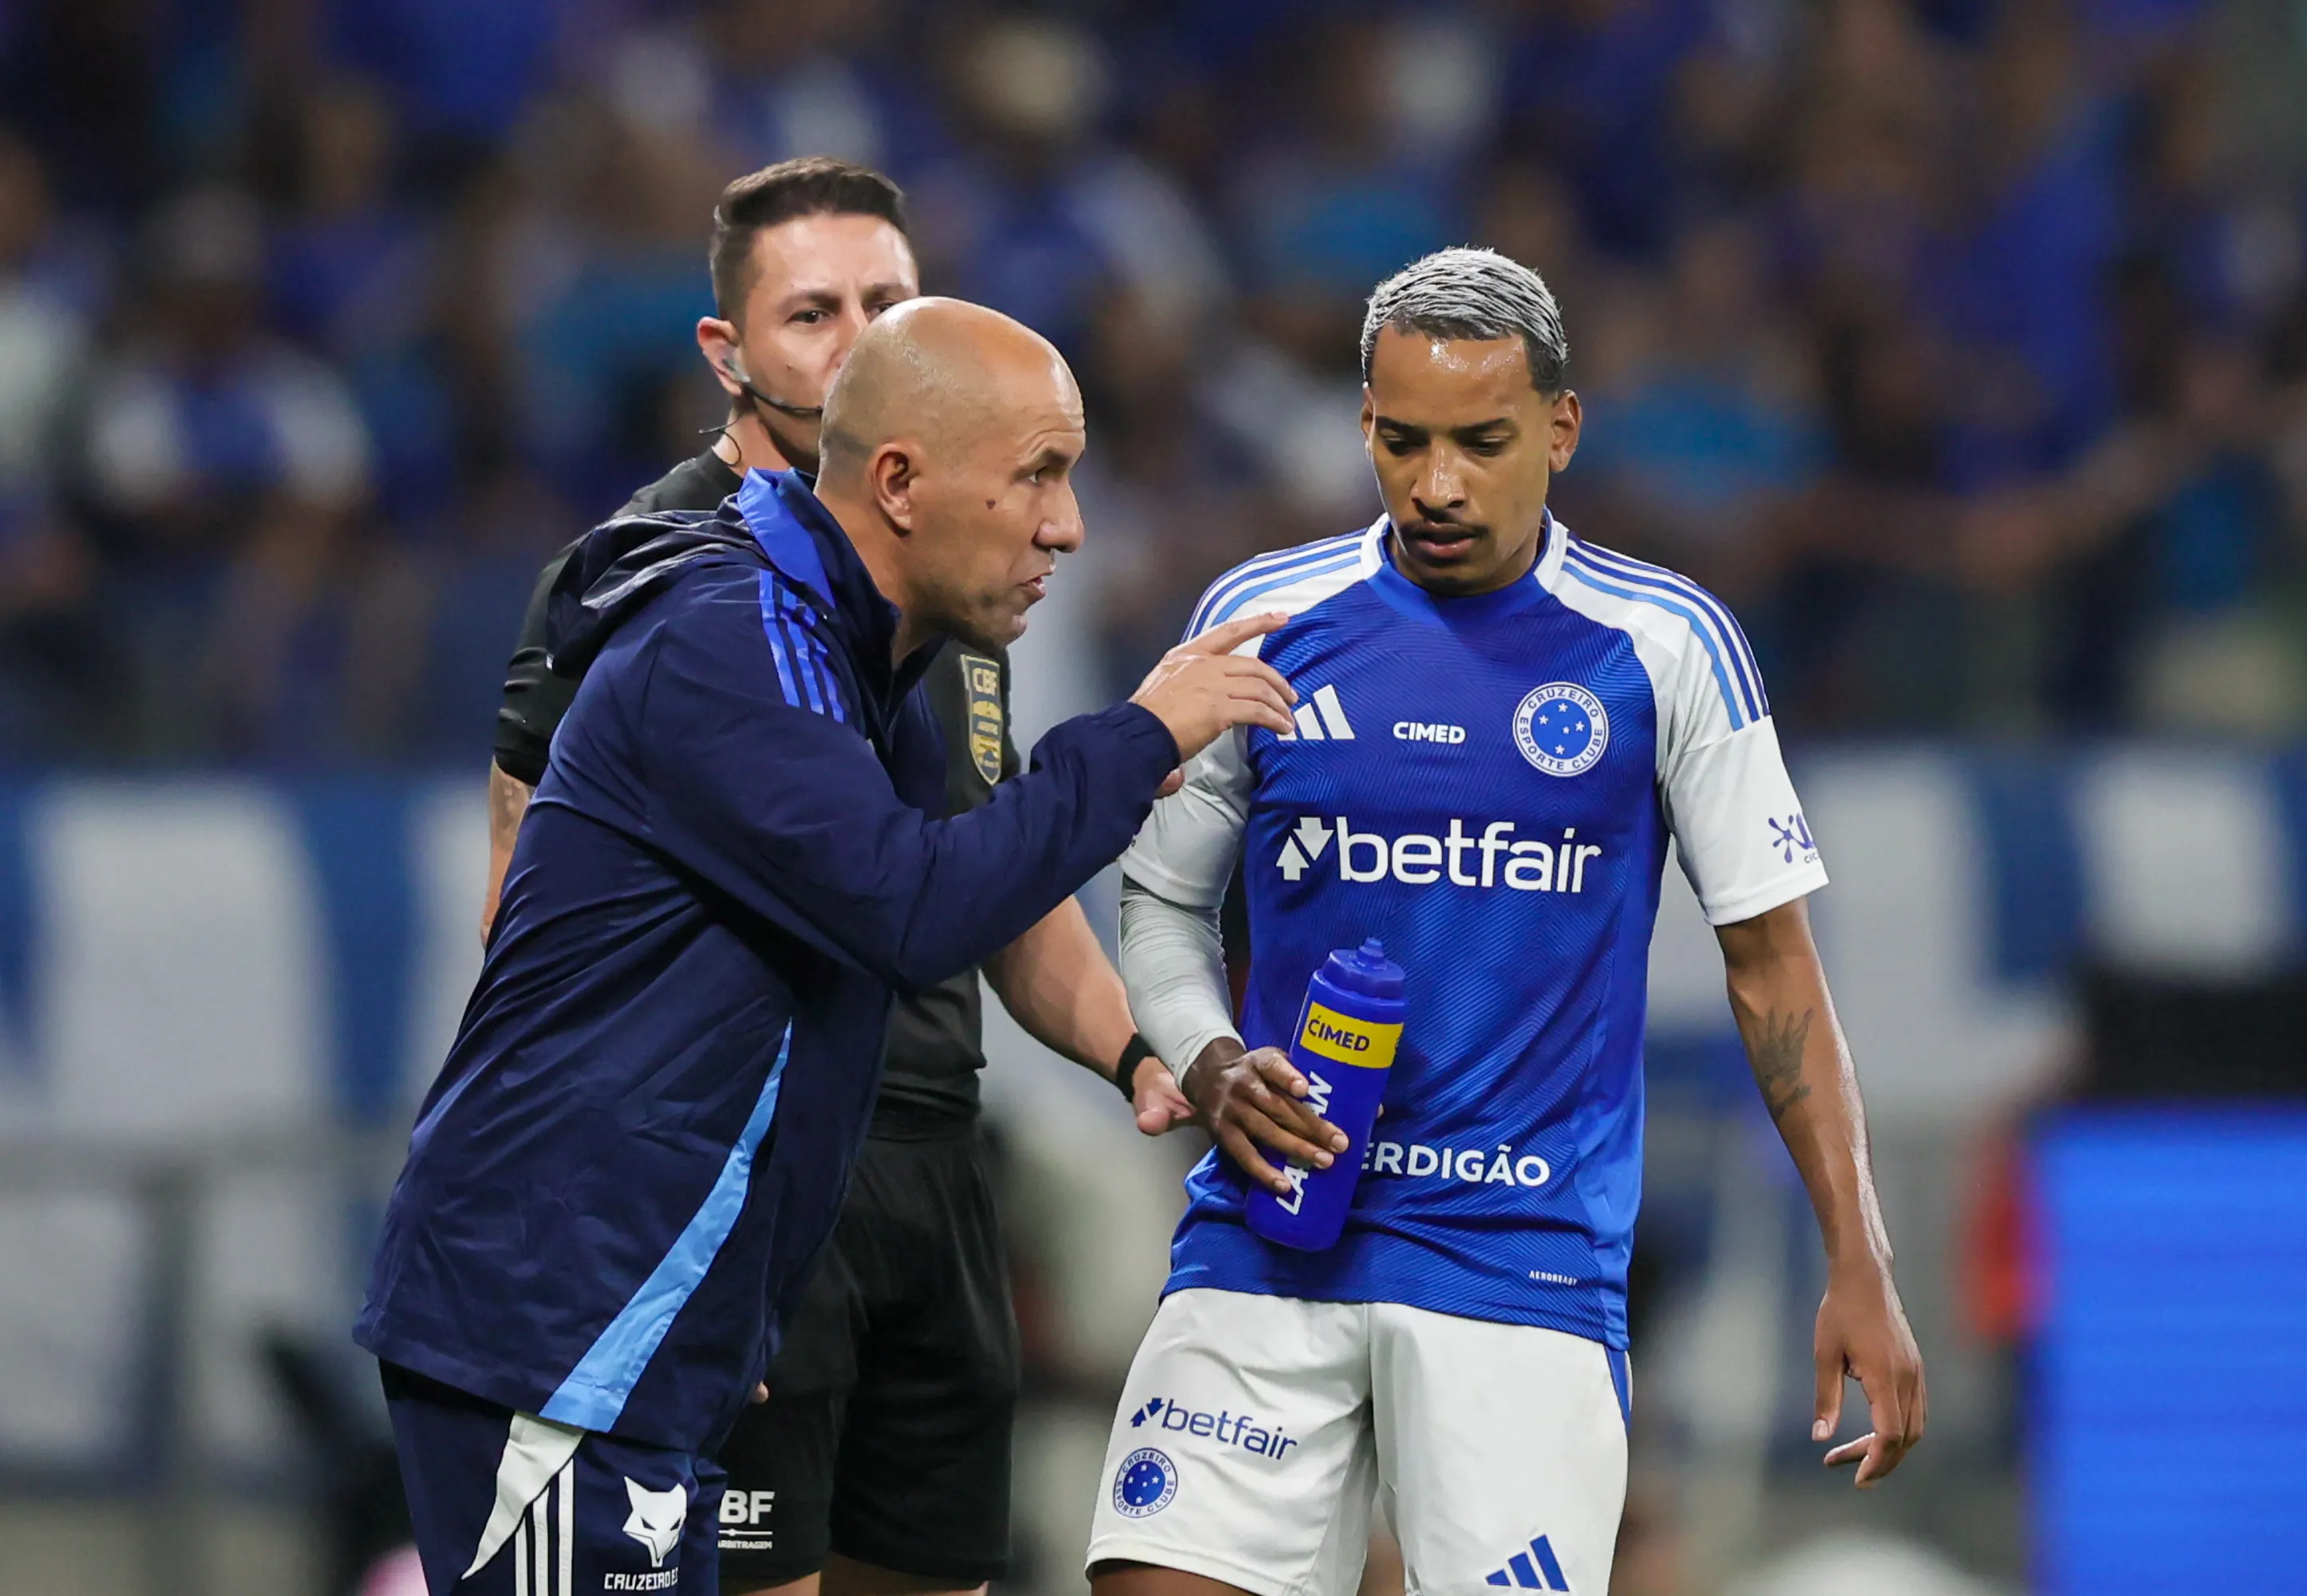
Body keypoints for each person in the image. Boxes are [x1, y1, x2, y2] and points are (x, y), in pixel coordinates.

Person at [358, 295, 1302, 1596]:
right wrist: (1139, 734)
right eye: (1037, 474)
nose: (1067, 526)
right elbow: (912, 908)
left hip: (646, 1328)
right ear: (901, 483)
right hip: (557, 1326)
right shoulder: (731, 640)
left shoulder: (868, 663)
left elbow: (968, 885)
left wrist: (1152, 1049)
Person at [1088, 249, 1926, 1595]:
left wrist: (1858, 1253)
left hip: (1519, 1268)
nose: (1437, 485)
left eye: (1482, 443)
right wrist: (1204, 1058)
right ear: (1363, 424)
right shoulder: (1263, 620)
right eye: (1403, 442)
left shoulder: (1663, 646)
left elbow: (1774, 975)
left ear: (1560, 429)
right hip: (1271, 1233)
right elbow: (1163, 900)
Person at [482, 158, 1186, 1596]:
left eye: (889, 302)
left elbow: (991, 877)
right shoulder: (651, 584)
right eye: (816, 313)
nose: (861, 340)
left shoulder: (956, 581)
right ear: (727, 353)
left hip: (938, 1157)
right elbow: (529, 910)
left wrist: (1135, 1050)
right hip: (746, 1178)